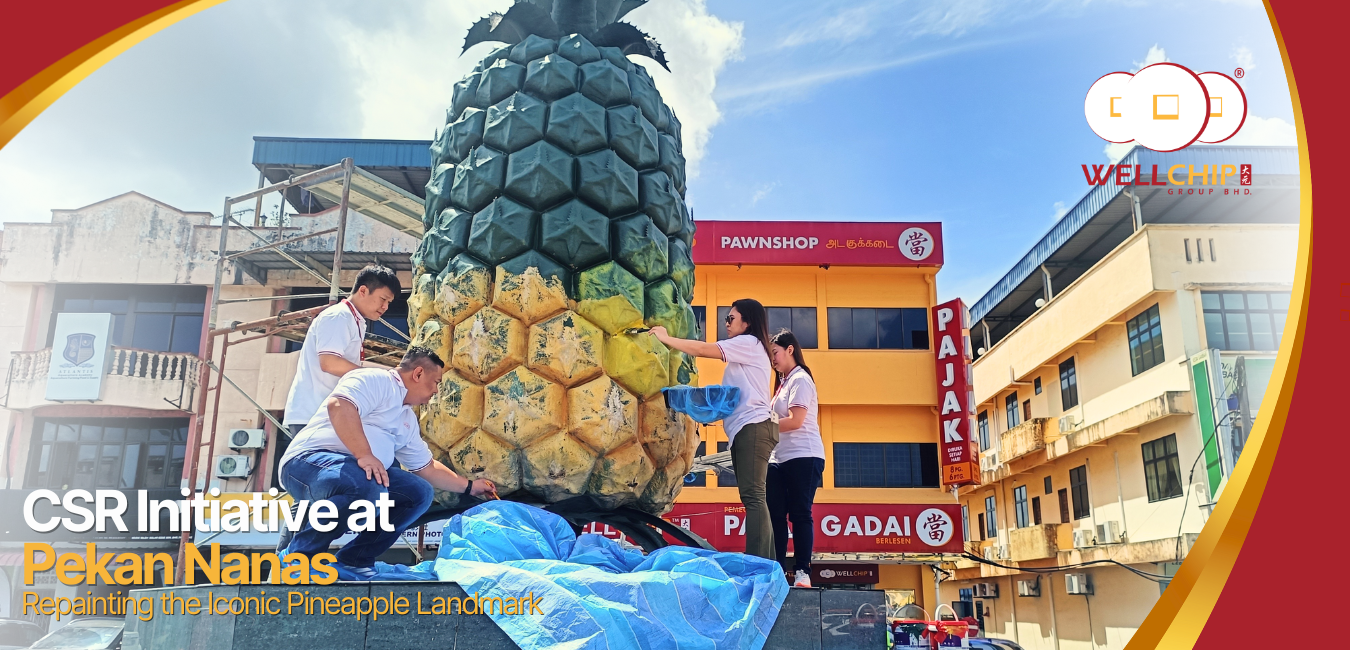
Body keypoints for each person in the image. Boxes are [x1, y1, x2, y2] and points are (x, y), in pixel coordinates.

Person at [277, 346, 497, 577]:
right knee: (368, 485)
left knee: (418, 492)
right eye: (436, 382)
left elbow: (427, 468)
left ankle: (356, 559)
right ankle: (300, 557)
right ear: (418, 373)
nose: (436, 390)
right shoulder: (375, 379)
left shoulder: (407, 420)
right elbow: (340, 406)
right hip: (308, 464)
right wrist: (365, 455)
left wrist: (471, 486)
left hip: (359, 474)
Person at [651, 298, 777, 559]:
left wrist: (666, 339)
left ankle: (759, 563)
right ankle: (766, 562)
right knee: (754, 498)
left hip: (753, 429)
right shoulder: (750, 349)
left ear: (748, 322)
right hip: (751, 429)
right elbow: (737, 395)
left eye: (731, 318)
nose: (727, 324)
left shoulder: (749, 343)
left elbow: (701, 349)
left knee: (753, 498)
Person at [282, 265, 400, 438]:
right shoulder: (339, 316)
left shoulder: (354, 319)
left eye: (388, 302)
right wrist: (377, 378)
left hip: (328, 415)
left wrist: (389, 374)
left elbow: (349, 365)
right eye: (383, 299)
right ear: (363, 290)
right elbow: (329, 362)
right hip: (313, 415)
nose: (385, 307)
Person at [765, 329, 825, 588]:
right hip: (779, 458)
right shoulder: (782, 384)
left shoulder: (800, 379)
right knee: (775, 515)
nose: (773, 359)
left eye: (775, 353)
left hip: (804, 455)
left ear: (790, 349)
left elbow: (796, 421)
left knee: (800, 514)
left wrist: (762, 427)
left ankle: (802, 572)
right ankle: (778, 570)